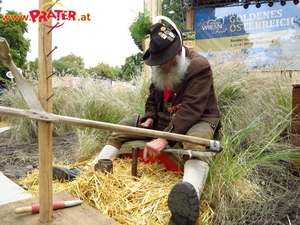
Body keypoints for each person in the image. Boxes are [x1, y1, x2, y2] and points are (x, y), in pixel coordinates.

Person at [53, 22, 220, 225]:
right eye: (159, 62)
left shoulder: (199, 66)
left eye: (165, 61)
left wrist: (163, 139)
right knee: (123, 126)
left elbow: (191, 109)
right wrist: (150, 117)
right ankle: (87, 173)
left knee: (195, 140)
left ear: (177, 53)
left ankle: (186, 204)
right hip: (163, 120)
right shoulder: (161, 66)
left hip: (198, 119)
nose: (162, 66)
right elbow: (152, 97)